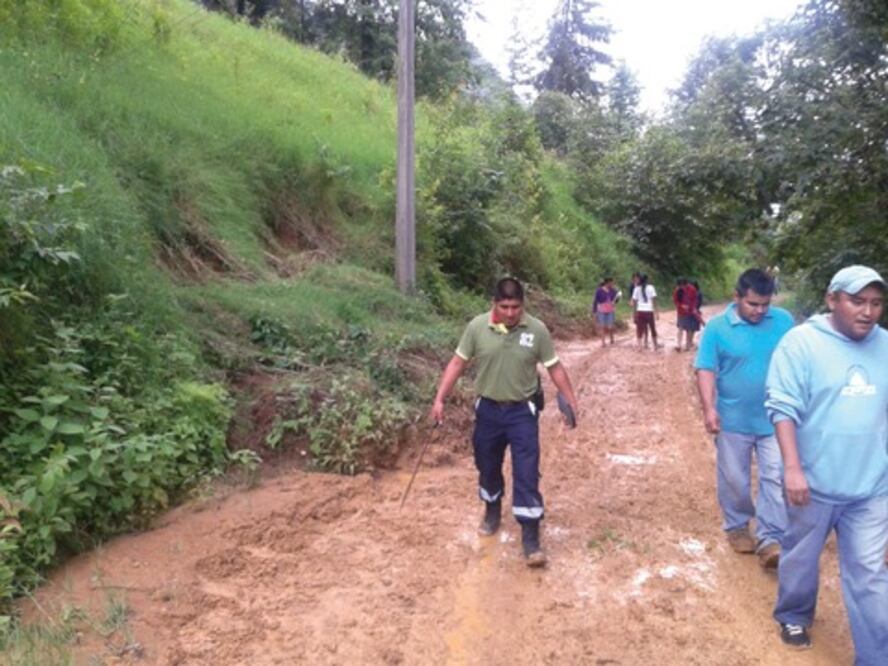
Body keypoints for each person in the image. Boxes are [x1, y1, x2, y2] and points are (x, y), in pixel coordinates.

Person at [765, 265, 888, 658]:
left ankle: (875, 657)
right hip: (813, 482)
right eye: (857, 301)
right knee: (801, 555)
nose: (867, 312)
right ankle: (794, 612)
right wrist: (792, 467)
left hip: (871, 487)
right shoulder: (801, 343)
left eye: (876, 303)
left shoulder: (886, 345)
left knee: (869, 577)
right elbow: (782, 407)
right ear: (832, 300)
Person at [431, 277, 580, 568]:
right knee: (487, 465)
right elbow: (457, 363)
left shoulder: (536, 330)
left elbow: (555, 367)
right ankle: (492, 509)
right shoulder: (476, 328)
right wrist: (439, 399)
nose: (511, 313)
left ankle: (530, 536)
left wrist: (570, 399)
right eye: (505, 307)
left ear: (523, 305)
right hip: (487, 410)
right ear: (494, 304)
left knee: (526, 471)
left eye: (516, 307)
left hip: (522, 413)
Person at [694, 269, 794, 569]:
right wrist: (709, 409)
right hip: (733, 420)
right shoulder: (717, 328)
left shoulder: (784, 322)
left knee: (775, 478)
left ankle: (770, 538)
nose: (760, 311)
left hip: (775, 420)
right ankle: (737, 525)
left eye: (765, 304)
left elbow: (800, 361)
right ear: (736, 296)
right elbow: (706, 369)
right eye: (753, 304)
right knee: (735, 480)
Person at [631, 273, 660, 349]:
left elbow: (634, 302)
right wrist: (657, 312)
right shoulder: (651, 287)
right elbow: (654, 301)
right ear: (647, 280)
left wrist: (634, 314)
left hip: (640, 310)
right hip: (649, 310)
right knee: (652, 328)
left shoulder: (637, 288)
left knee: (639, 328)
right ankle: (655, 344)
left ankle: (639, 346)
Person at [592, 277, 620, 347]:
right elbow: (595, 301)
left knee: (610, 326)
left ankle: (611, 337)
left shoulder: (613, 290)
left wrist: (615, 302)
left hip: (610, 310)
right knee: (602, 326)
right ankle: (603, 342)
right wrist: (594, 310)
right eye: (611, 282)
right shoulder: (599, 290)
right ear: (607, 283)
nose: (612, 284)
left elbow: (619, 296)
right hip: (601, 310)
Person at [673, 278, 699, 351]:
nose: (681, 287)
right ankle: (678, 345)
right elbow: (675, 301)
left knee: (689, 329)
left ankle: (687, 345)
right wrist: (681, 305)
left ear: (685, 284)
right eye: (679, 286)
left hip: (690, 312)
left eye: (682, 285)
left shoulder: (692, 289)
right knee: (680, 328)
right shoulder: (677, 290)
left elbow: (695, 299)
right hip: (681, 312)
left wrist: (693, 307)